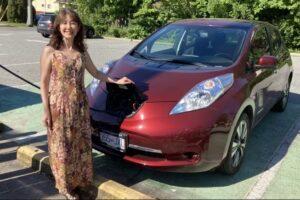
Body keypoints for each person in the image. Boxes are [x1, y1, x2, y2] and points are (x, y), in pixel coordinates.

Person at [40, 9, 134, 200]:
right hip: (59, 106)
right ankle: (65, 186)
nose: (69, 27)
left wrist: (116, 81)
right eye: (65, 23)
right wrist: (46, 111)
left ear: (78, 26)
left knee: (79, 144)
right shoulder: (50, 51)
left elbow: (96, 73)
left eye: (73, 23)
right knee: (62, 147)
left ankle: (79, 180)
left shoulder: (81, 51)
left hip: (80, 105)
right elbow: (43, 82)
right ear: (58, 26)